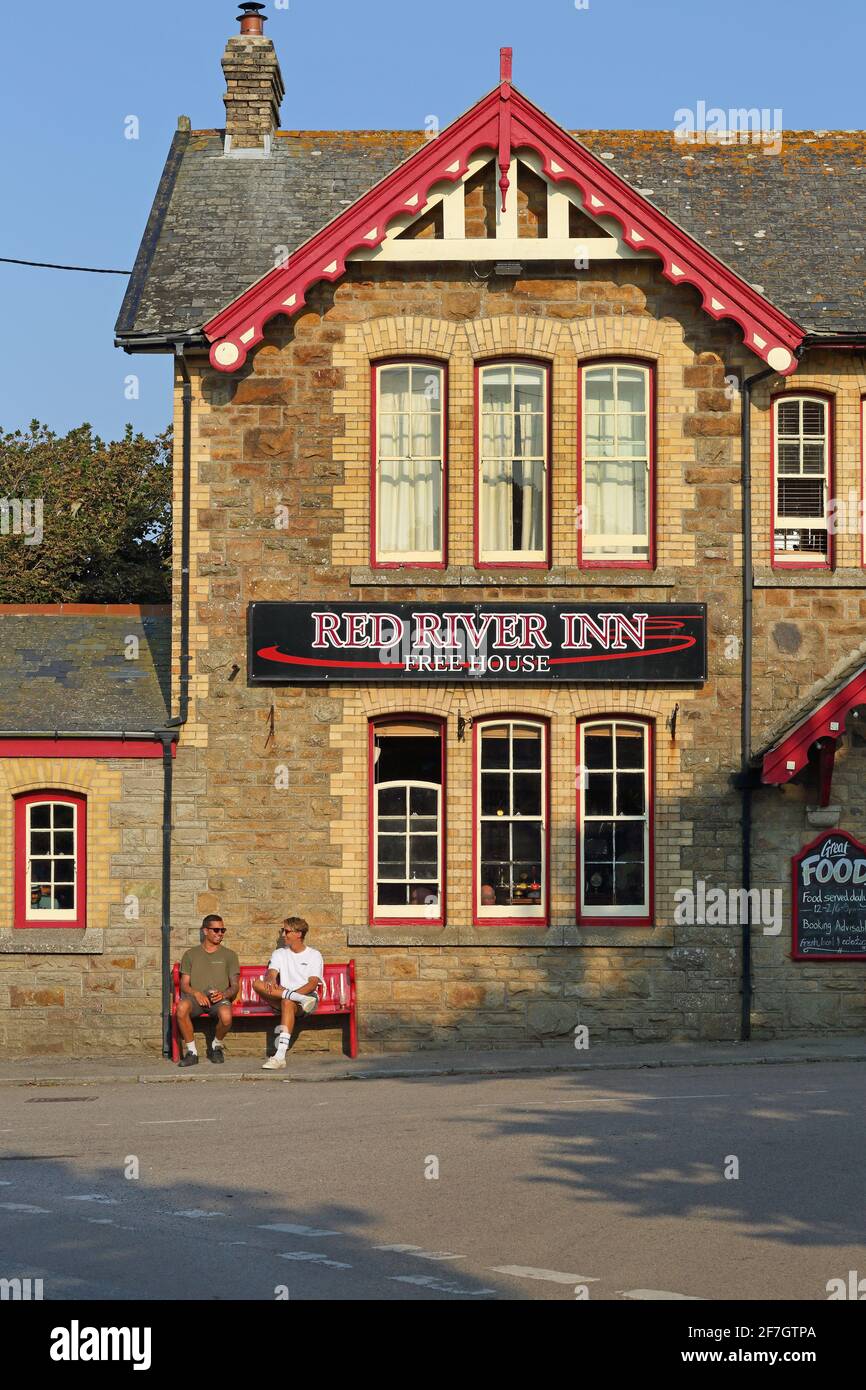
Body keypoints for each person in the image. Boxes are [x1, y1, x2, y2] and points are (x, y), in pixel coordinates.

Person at [252, 917, 324, 1071]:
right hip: (288, 997)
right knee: (257, 984)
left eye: (286, 931)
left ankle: (279, 1056)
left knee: (287, 1002)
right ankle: (294, 998)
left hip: (307, 998)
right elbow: (271, 972)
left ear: (298, 934)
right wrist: (270, 978)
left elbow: (312, 984)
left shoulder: (314, 955)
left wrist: (289, 996)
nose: (283, 934)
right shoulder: (279, 953)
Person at [176, 915, 240, 1067]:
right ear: (205, 931)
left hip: (218, 998)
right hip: (196, 998)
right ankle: (192, 1052)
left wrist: (223, 994)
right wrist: (196, 993)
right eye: (216, 930)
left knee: (226, 1016)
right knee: (181, 1008)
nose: (220, 933)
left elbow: (235, 985)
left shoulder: (229, 955)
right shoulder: (190, 954)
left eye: (222, 930)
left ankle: (216, 1046)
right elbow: (184, 984)